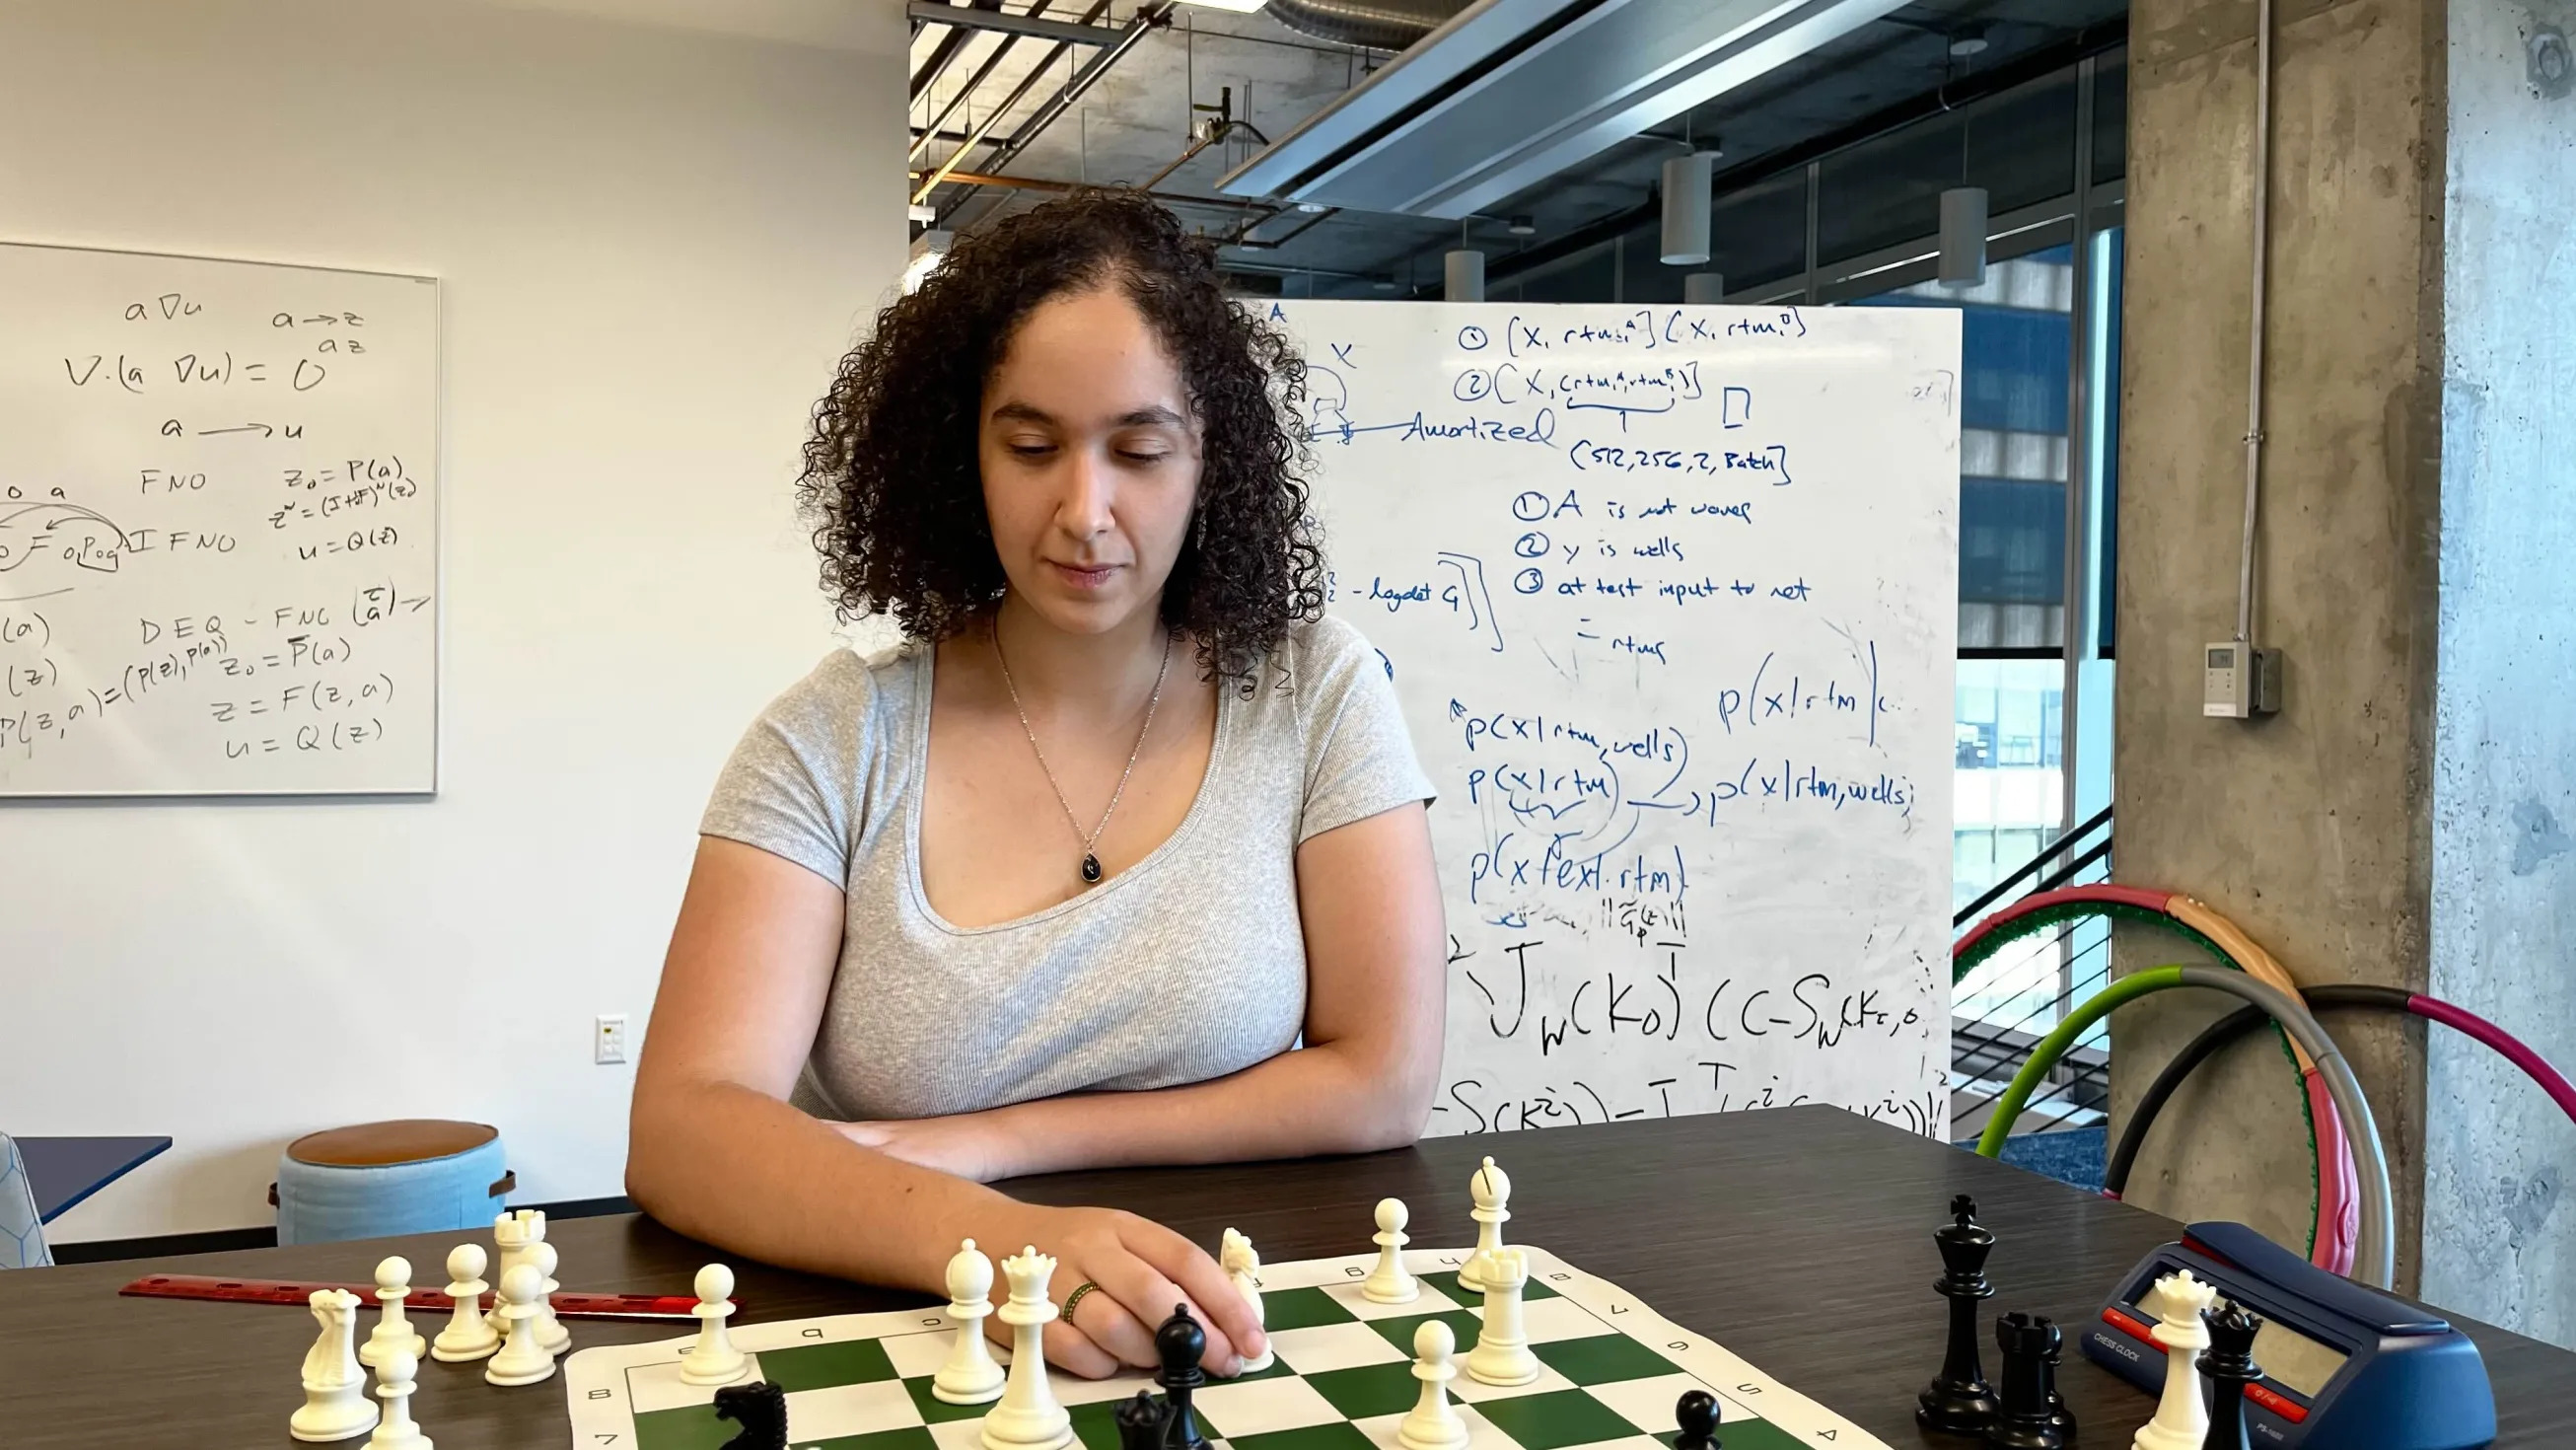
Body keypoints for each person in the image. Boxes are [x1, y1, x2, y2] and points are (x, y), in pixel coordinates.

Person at [626, 190, 1446, 1380]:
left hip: (1255, 1324)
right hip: (926, 1333)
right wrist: (1002, 1246)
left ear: (1212, 456)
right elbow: (683, 1127)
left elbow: (1380, 1082)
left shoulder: (1316, 691)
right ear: (957, 453)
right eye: (1030, 447)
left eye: (1139, 449)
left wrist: (997, 1142)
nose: (1083, 511)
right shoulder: (834, 736)